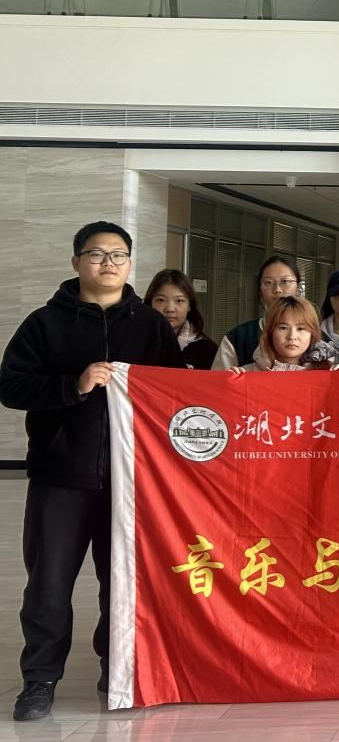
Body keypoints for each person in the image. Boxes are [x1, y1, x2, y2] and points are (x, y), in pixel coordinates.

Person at [0, 221, 182, 722]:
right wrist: (73, 386)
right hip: (60, 476)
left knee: (121, 582)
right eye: (97, 253)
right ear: (76, 261)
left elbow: (175, 394)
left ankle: (115, 667)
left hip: (132, 481)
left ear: (130, 263)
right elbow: (11, 387)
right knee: (48, 584)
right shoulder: (44, 323)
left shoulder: (150, 326)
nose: (108, 262)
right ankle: (39, 680)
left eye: (118, 254)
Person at [211, 255, 301, 369]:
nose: (277, 289)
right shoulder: (237, 338)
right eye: (268, 282)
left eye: (285, 281)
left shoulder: (315, 338)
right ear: (260, 291)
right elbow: (219, 378)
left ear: (298, 288)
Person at [229, 297, 339, 372]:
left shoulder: (328, 373)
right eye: (283, 328)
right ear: (270, 332)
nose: (292, 336)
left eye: (301, 328)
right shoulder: (246, 374)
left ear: (312, 334)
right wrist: (228, 382)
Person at [143, 268, 218, 370]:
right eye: (160, 300)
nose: (170, 309)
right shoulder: (137, 342)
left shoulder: (207, 350)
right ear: (150, 304)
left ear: (189, 305)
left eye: (179, 300)